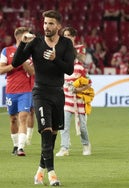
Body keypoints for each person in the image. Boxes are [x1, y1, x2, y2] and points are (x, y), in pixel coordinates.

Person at [11, 10, 75, 186]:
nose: (47, 26)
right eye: (45, 23)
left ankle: (40, 171)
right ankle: (52, 174)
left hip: (57, 93)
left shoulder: (66, 45)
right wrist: (22, 45)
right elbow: (16, 63)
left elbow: (69, 69)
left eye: (51, 23)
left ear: (59, 26)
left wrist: (55, 59)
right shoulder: (35, 42)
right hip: (40, 93)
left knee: (52, 135)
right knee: (45, 131)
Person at [56, 26, 94, 157]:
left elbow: (84, 60)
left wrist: (71, 49)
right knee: (64, 124)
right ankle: (64, 147)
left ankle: (86, 144)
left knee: (82, 126)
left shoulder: (79, 51)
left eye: (68, 35)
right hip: (66, 96)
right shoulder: (60, 49)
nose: (66, 37)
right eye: (64, 35)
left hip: (79, 97)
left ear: (73, 37)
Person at [0, 26, 35, 156]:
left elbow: (32, 72)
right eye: (27, 37)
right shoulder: (6, 51)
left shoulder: (30, 53)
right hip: (11, 91)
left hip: (26, 91)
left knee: (23, 117)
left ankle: (21, 147)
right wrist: (13, 65)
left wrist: (23, 60)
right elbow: (1, 70)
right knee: (13, 119)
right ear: (20, 38)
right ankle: (15, 146)